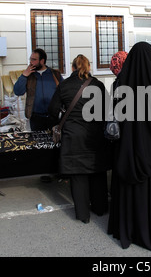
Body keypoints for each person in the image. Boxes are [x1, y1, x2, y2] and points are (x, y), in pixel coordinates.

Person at [107, 42, 151, 252]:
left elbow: (115, 118)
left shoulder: (121, 85)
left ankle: (129, 229)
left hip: (128, 152)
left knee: (130, 190)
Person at [48, 54, 109, 224]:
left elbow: (52, 110)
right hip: (95, 135)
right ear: (88, 67)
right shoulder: (97, 85)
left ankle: (83, 215)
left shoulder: (64, 85)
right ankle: (100, 208)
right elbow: (108, 109)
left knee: (78, 176)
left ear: (73, 67)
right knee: (97, 173)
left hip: (73, 136)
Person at [13, 48, 63, 131]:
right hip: (36, 117)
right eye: (30, 59)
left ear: (42, 61)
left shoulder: (55, 74)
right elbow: (18, 91)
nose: (31, 62)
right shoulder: (29, 75)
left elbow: (64, 91)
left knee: (54, 141)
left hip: (53, 116)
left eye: (34, 59)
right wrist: (24, 75)